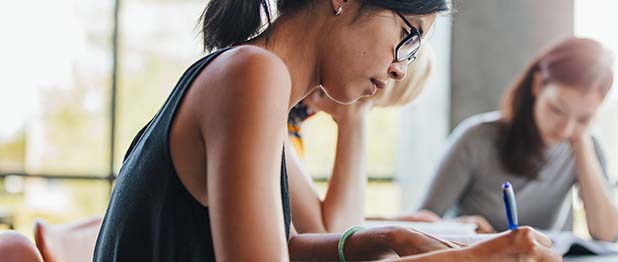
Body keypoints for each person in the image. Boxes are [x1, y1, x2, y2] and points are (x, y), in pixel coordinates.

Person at [94, 0, 561, 261]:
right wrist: (472, 259)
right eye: (409, 36)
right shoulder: (251, 75)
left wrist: (393, 238)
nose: (400, 69)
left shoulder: (248, 75)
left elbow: (285, 247)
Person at [416, 38, 618, 242]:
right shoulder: (476, 138)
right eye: (557, 109)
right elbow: (419, 225)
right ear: (538, 85)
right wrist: (460, 229)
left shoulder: (585, 144)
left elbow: (607, 235)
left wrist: (582, 145)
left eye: (583, 118)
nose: (566, 129)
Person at [288, 47, 433, 234]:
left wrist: (387, 222)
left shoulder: (294, 118)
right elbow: (335, 236)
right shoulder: (278, 111)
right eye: (368, 103)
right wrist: (352, 119)